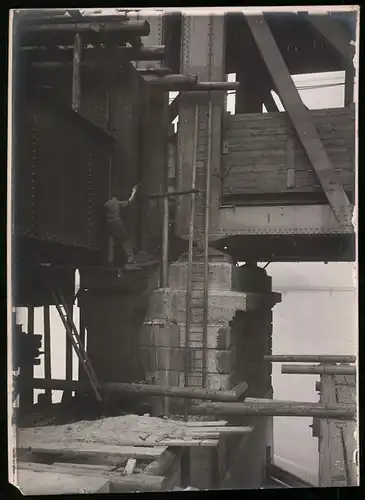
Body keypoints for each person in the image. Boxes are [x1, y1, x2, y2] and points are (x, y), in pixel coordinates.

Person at [104, 186, 139, 265]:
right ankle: (130, 258)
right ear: (118, 196)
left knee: (111, 241)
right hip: (117, 222)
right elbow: (129, 201)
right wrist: (134, 191)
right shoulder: (118, 203)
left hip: (109, 223)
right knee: (125, 240)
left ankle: (110, 260)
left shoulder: (107, 203)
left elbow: (104, 209)